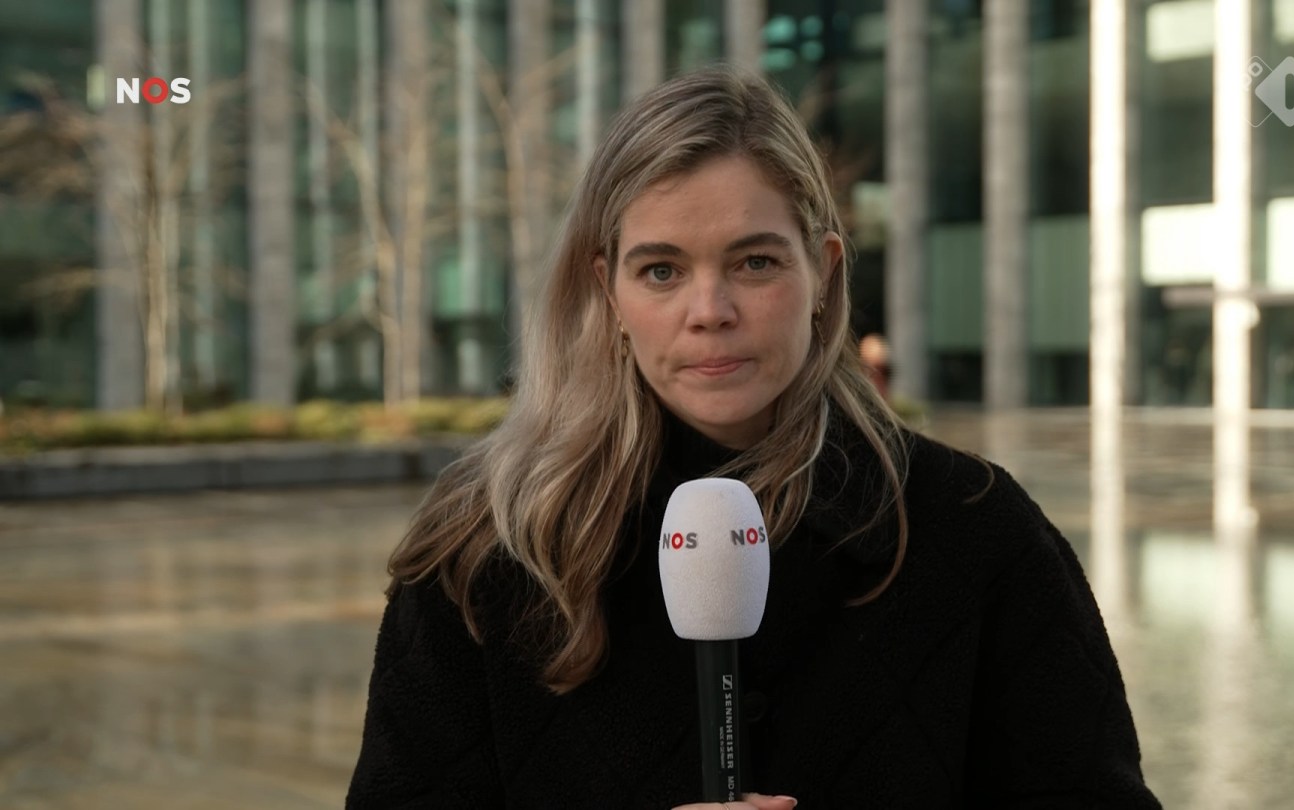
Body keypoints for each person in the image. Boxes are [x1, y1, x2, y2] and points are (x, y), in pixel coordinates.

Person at [346, 66, 1160, 809]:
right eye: (661, 271)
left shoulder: (974, 528)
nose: (710, 311)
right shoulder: (484, 546)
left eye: (756, 263)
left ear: (823, 272)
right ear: (610, 292)